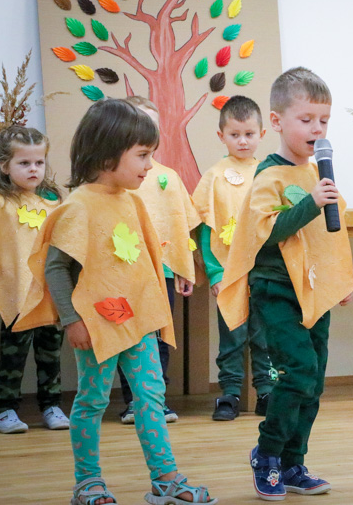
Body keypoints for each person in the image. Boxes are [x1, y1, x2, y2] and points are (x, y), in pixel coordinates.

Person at [14, 99, 216, 505]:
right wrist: (73, 320)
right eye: (142, 155)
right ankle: (87, 482)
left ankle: (166, 478)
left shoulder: (132, 200)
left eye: (151, 155)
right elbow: (56, 269)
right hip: (96, 325)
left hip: (137, 322)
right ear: (108, 155)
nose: (148, 164)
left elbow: (141, 264)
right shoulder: (77, 206)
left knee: (150, 395)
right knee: (91, 400)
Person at [217, 67, 353, 500]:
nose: (317, 129)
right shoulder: (269, 177)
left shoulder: (316, 175)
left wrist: (340, 280)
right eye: (306, 119)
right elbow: (267, 232)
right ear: (276, 122)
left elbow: (328, 239)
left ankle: (295, 463)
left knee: (314, 381)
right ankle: (267, 453)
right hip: (276, 291)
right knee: (298, 373)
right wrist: (312, 204)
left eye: (323, 121)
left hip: (314, 292)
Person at [0, 126, 69, 434]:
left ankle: (51, 406)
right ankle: (5, 410)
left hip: (50, 292)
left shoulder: (54, 200)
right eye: (24, 163)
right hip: (17, 293)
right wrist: (6, 275)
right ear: (5, 166)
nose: (33, 169)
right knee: (13, 353)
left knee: (50, 353)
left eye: (39, 163)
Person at [114, 96, 201, 425]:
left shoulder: (168, 177)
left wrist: (182, 267)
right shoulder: (115, 178)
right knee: (129, 335)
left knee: (160, 335)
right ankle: (133, 402)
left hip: (162, 271)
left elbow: (179, 226)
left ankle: (156, 401)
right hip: (124, 270)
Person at [192, 95, 275, 420]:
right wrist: (214, 273)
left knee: (264, 335)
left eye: (249, 134)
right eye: (235, 134)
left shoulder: (269, 173)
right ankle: (229, 394)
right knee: (232, 336)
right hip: (228, 273)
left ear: (261, 134)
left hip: (263, 270)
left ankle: (266, 392)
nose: (242, 141)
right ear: (221, 136)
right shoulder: (214, 177)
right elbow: (205, 229)